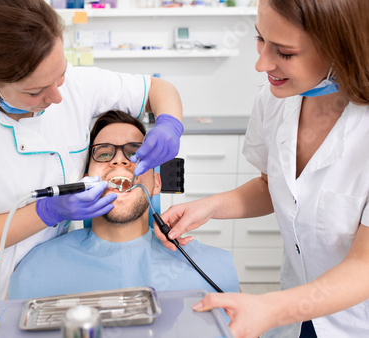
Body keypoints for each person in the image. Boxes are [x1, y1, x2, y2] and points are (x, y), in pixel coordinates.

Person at [0, 0, 184, 318]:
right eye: (35, 91)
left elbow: (158, 89)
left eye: (61, 75)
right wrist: (48, 212)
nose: (56, 98)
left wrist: (170, 124)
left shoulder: (78, 88)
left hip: (54, 282)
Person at [158, 0, 369, 337]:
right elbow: (271, 186)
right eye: (260, 39)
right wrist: (208, 207)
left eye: (284, 53)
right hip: (299, 309)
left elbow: (365, 266)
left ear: (341, 49)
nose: (261, 63)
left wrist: (270, 307)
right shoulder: (275, 99)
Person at [8, 110, 239, 299]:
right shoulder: (36, 270)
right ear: (84, 180)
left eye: (136, 153)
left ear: (156, 183)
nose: (120, 160)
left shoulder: (213, 270)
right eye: (104, 153)